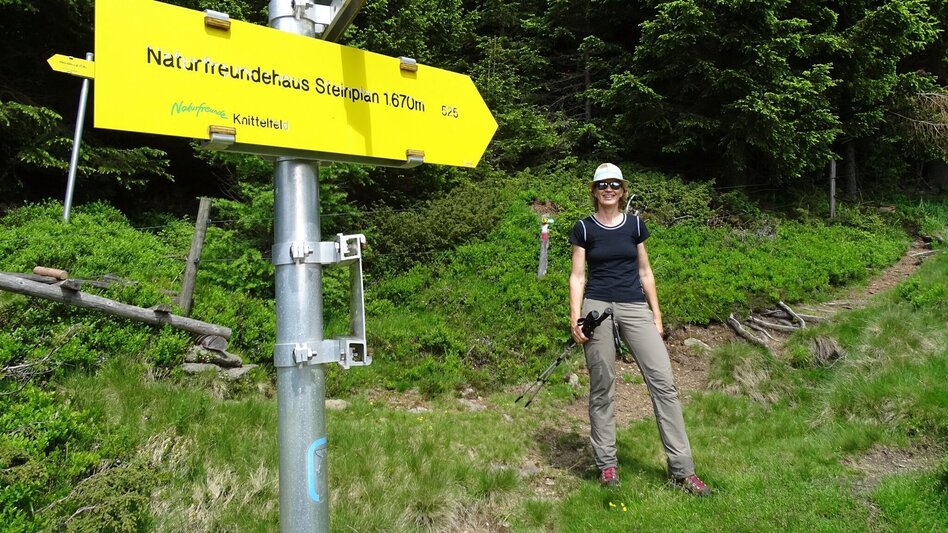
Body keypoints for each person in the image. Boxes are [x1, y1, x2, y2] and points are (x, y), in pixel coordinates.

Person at [568, 163, 711, 496]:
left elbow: (646, 273)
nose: (608, 189)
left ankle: (683, 470)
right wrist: (576, 317)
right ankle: (606, 465)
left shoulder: (635, 225)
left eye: (614, 184)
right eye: (602, 184)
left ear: (622, 190)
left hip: (634, 306)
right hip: (597, 308)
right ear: (594, 190)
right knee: (602, 386)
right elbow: (577, 276)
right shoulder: (583, 229)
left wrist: (656, 315)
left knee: (664, 382)